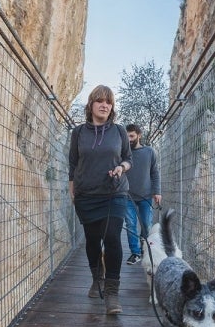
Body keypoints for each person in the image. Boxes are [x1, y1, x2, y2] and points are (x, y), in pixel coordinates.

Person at [68, 85, 132, 314]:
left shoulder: (119, 131)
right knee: (93, 241)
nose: (105, 105)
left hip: (115, 193)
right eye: (100, 101)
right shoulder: (78, 133)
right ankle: (97, 278)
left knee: (113, 238)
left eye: (109, 102)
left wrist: (121, 168)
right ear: (91, 105)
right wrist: (72, 190)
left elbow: (128, 158)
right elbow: (73, 164)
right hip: (86, 196)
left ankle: (112, 294)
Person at [124, 124, 161, 265]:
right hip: (127, 197)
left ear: (139, 135)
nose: (129, 139)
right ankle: (135, 253)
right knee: (130, 224)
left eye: (132, 136)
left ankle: (145, 250)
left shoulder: (149, 152)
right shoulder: (123, 153)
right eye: (126, 137)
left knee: (146, 225)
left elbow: (155, 173)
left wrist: (157, 191)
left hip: (146, 196)